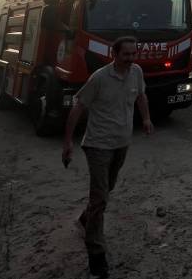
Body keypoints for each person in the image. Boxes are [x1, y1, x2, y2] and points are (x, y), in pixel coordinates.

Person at [62, 36, 153, 278]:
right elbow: (79, 106)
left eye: (134, 54)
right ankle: (96, 256)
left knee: (107, 189)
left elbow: (141, 97)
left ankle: (85, 218)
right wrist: (68, 141)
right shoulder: (99, 78)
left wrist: (145, 119)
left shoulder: (136, 72)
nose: (131, 58)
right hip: (98, 145)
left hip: (121, 144)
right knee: (100, 198)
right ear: (115, 54)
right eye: (126, 55)